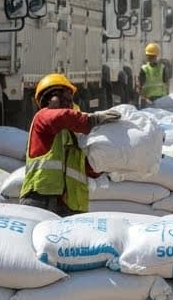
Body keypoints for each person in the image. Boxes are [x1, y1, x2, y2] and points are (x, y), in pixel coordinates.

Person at [19, 74, 121, 216]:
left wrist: (106, 162)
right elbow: (62, 117)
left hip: (70, 205)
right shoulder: (42, 117)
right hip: (42, 198)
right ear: (50, 99)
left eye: (70, 99)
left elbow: (87, 169)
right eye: (65, 98)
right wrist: (92, 120)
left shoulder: (74, 136)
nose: (69, 103)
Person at [138, 42, 170, 106]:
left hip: (161, 99)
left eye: (152, 56)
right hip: (148, 100)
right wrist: (143, 98)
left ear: (156, 56)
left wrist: (167, 96)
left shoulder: (162, 68)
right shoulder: (144, 69)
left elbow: (167, 83)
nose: (151, 58)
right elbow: (140, 86)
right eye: (149, 56)